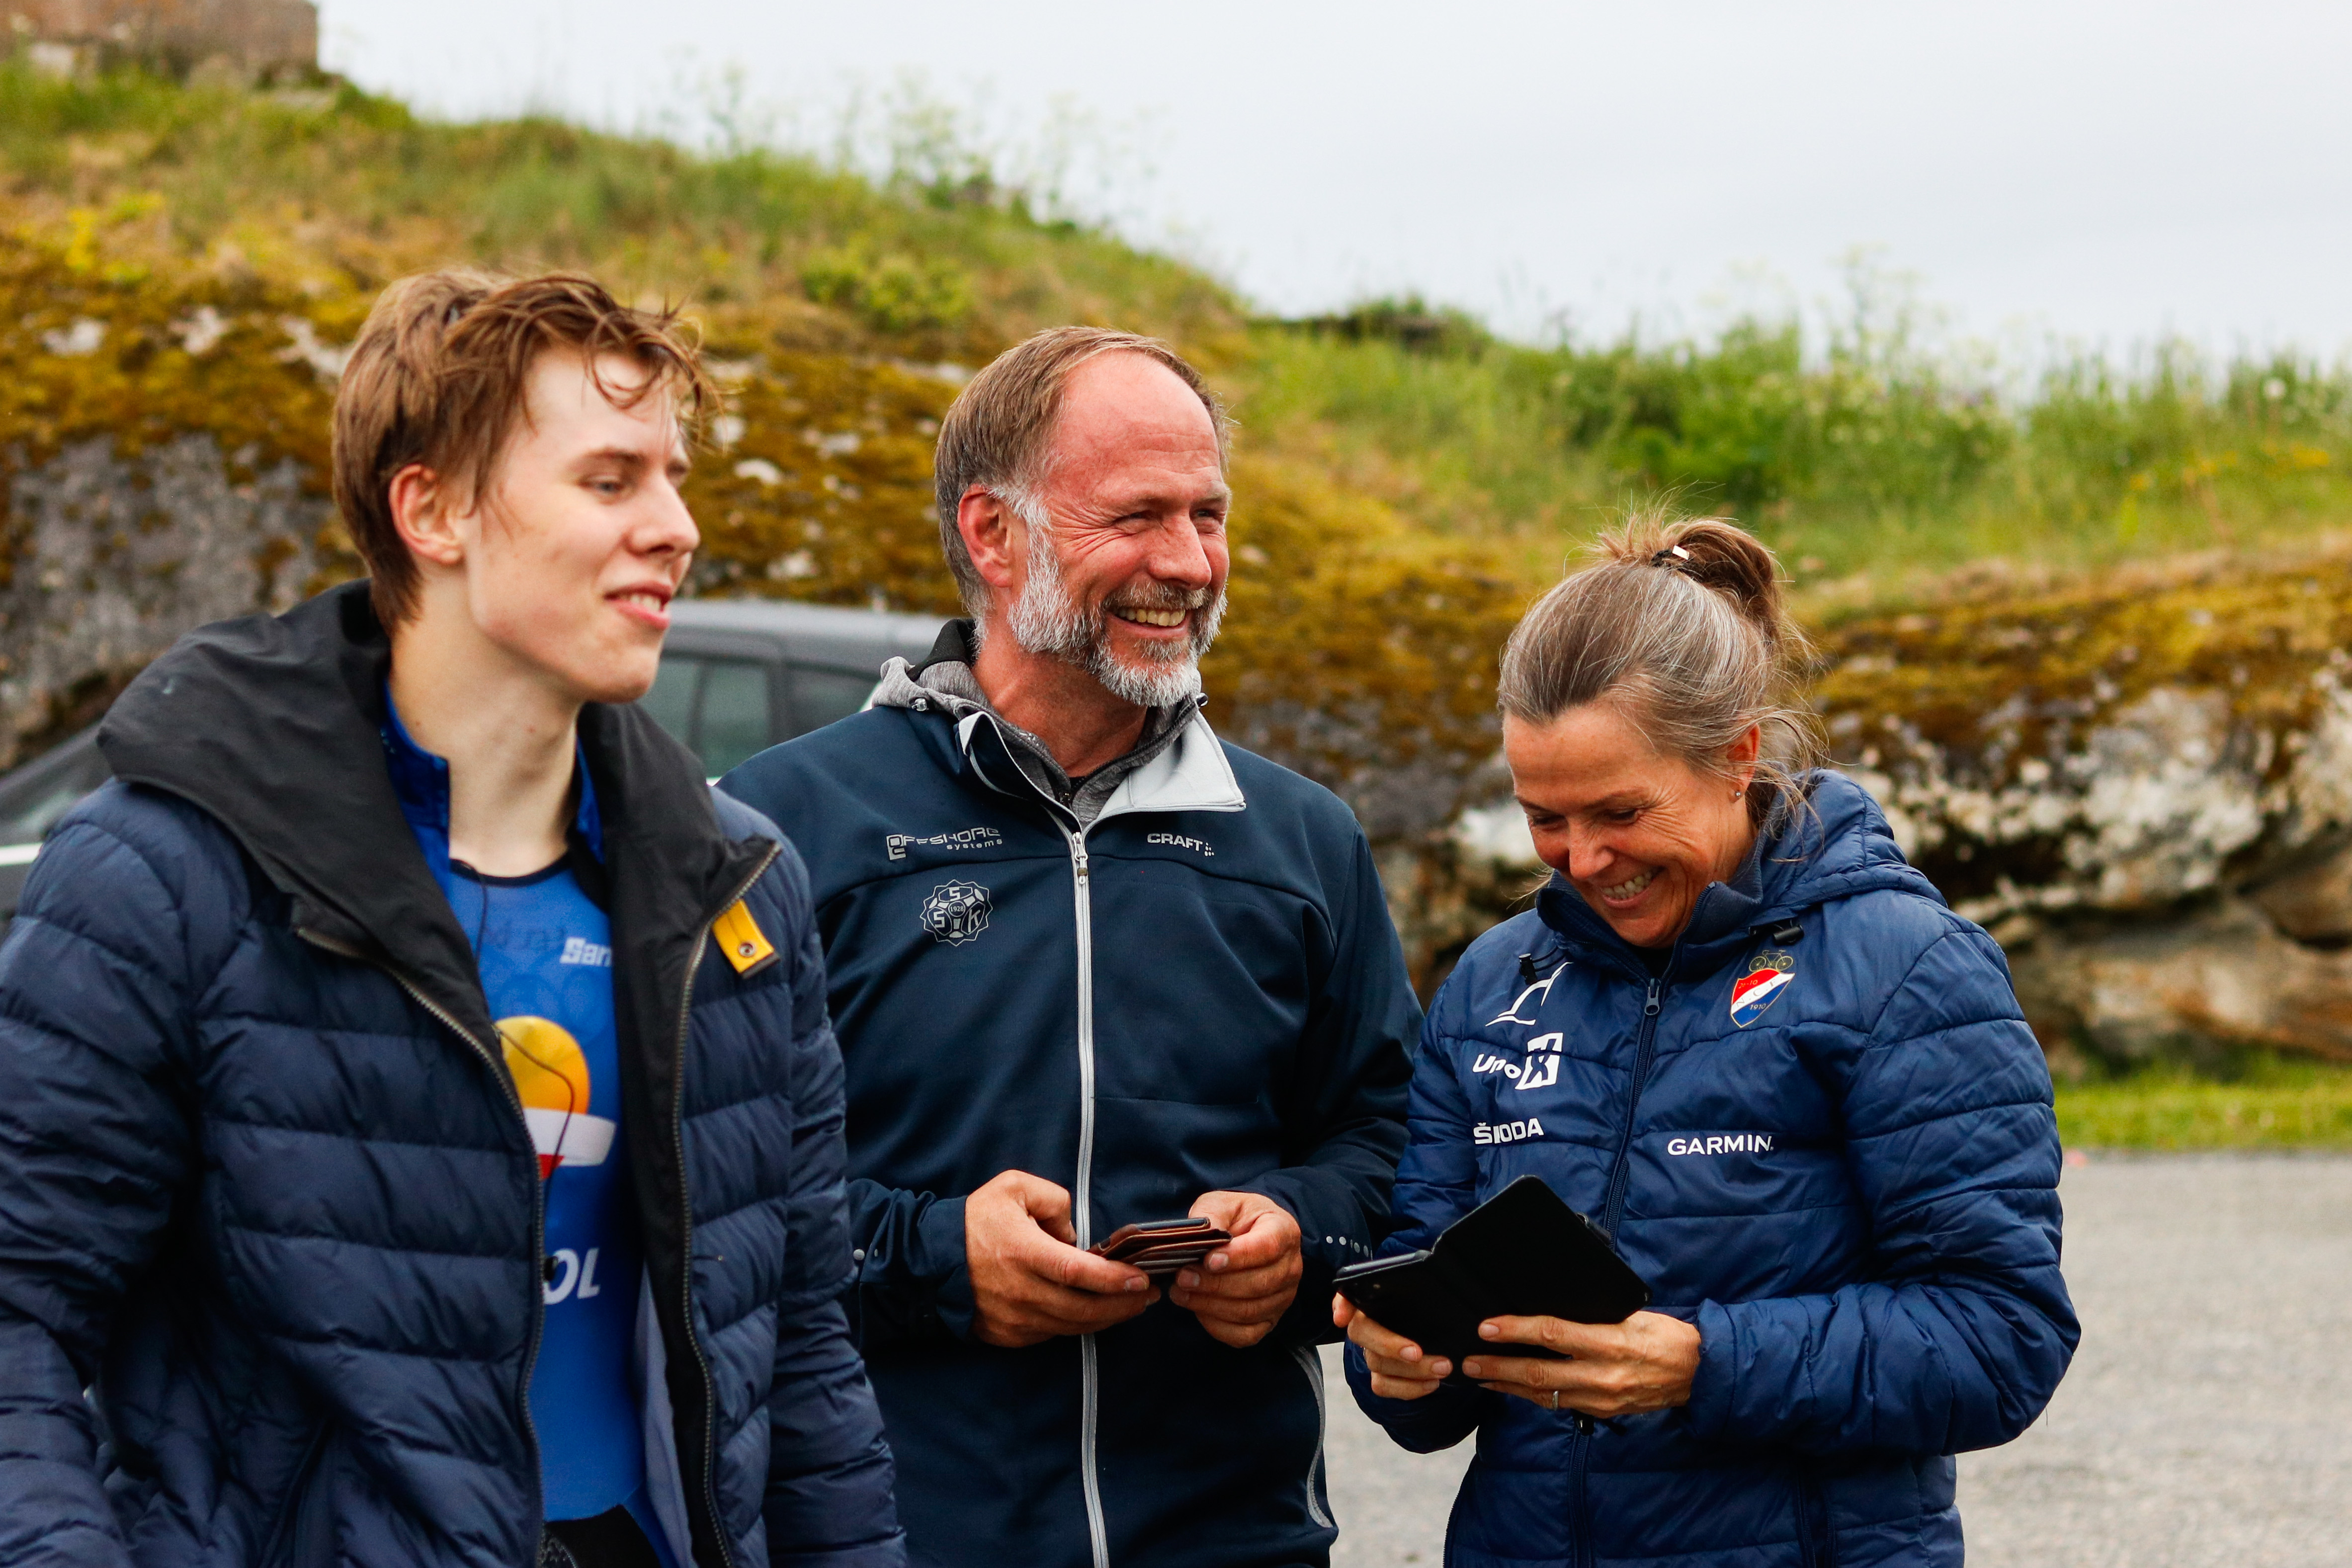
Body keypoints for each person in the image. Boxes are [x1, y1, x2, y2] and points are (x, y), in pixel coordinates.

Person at [0, 271, 905, 1568]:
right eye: (610, 481)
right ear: (429, 508)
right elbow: (20, 1311)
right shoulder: (167, 873)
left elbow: (802, 1350)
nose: (676, 527)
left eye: (674, 476)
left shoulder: (739, 890)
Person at [719, 327, 1419, 1568]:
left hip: (1235, 1543)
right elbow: (705, 1186)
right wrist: (932, 1258)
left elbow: (1388, 1143)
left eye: (1209, 515)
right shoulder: (780, 830)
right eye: (1137, 515)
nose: (1188, 562)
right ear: (992, 536)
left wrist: (1298, 1240)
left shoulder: (1302, 840)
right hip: (890, 1538)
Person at [1340, 516, 2078, 1568]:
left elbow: (2001, 1337)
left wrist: (1704, 1364)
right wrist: (1400, 1363)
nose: (1582, 859)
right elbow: (1419, 1320)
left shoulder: (1907, 969)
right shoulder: (1492, 984)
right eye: (1542, 817)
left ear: (1736, 756)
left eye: (1620, 812)